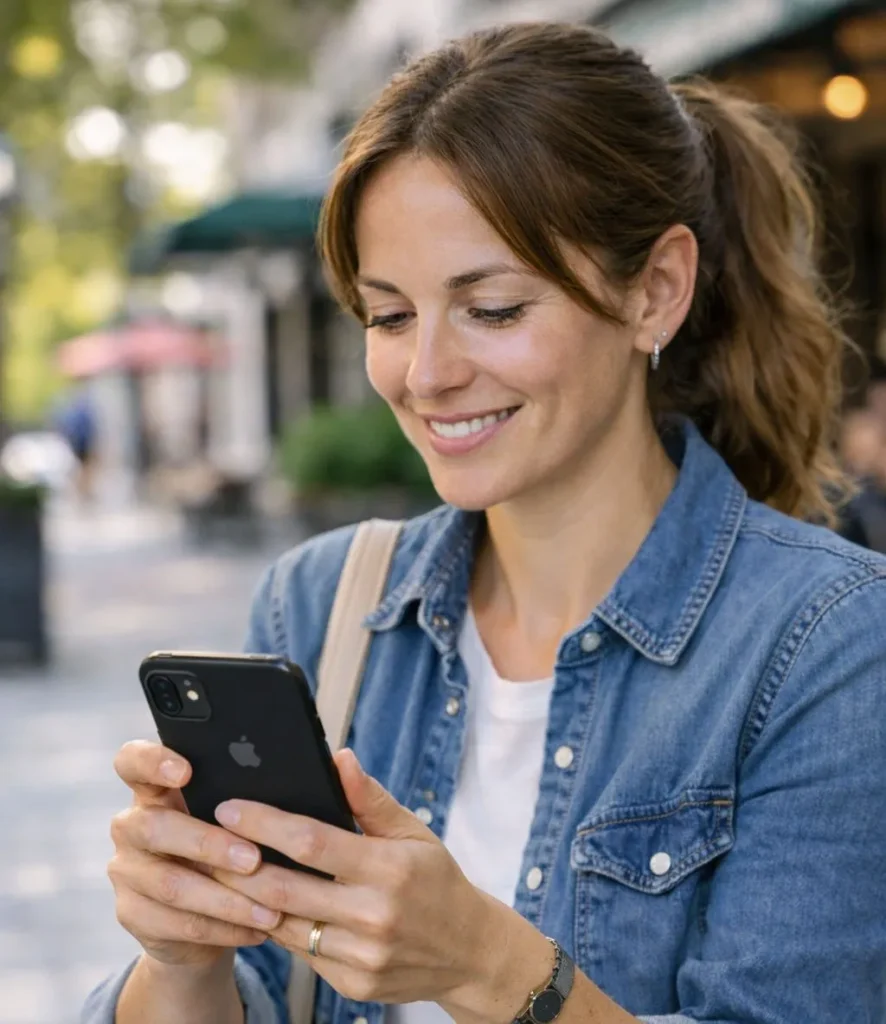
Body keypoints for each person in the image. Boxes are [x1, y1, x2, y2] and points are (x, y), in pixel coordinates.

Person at [84, 22, 886, 1024]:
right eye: (388, 315)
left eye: (493, 308)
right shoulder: (322, 602)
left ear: (656, 290)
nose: (425, 375)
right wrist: (181, 955)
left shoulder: (829, 646)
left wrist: (487, 965)